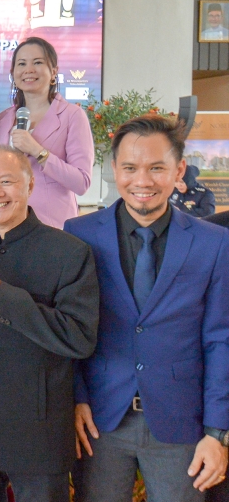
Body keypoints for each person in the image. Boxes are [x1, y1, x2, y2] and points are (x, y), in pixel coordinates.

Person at [64, 115, 229, 502]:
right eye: (130, 168)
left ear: (179, 170)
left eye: (157, 168)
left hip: (181, 424)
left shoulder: (213, 243)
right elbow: (70, 329)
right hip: (100, 422)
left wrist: (217, 432)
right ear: (114, 171)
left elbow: (220, 340)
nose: (143, 181)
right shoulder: (79, 235)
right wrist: (76, 397)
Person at [0, 145, 99, 502]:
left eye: (6, 182)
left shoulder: (69, 251)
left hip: (38, 430)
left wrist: (4, 297)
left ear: (29, 185)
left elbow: (79, 337)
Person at [0, 37, 93, 228]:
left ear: (53, 72)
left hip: (53, 224)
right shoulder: (3, 119)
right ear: (13, 72)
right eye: (21, 64)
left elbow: (81, 183)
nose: (29, 69)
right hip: (8, 224)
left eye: (38, 62)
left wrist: (39, 151)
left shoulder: (72, 116)